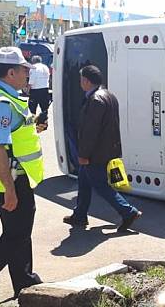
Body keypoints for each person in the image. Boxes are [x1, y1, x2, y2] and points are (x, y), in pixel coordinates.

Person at [0, 47, 47, 298]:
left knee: (18, 234)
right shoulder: (0, 102)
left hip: (12, 178)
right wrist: (10, 189)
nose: (28, 74)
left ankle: (25, 283)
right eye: (24, 70)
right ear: (11, 72)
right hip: (10, 181)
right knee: (14, 238)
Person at [63, 65, 142, 232]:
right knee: (84, 181)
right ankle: (79, 215)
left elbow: (91, 131)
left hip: (95, 153)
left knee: (101, 185)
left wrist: (83, 154)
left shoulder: (96, 100)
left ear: (85, 80)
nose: (80, 83)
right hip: (106, 149)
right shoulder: (108, 95)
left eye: (81, 79)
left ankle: (128, 212)